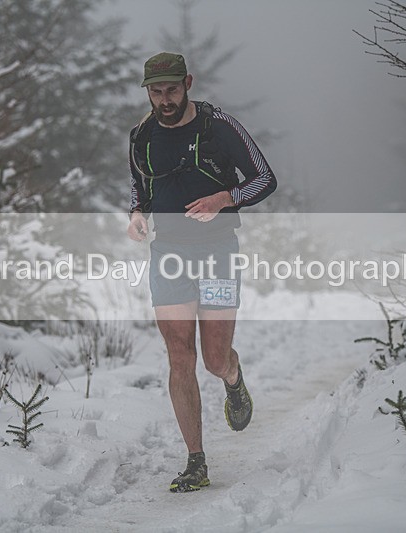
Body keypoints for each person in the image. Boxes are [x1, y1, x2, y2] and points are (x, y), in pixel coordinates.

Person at [126, 52, 277, 493]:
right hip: (168, 254)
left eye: (172, 89)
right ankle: (196, 460)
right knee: (179, 356)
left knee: (212, 359)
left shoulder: (219, 128)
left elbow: (264, 179)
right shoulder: (141, 135)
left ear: (188, 83)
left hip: (217, 253)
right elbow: (140, 184)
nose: (165, 99)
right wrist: (137, 214)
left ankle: (233, 377)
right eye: (156, 91)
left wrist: (224, 198)